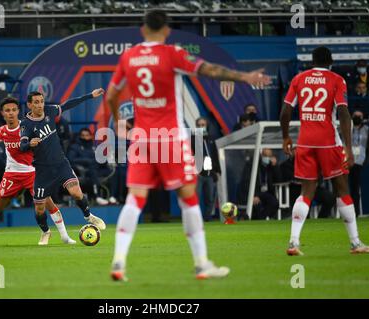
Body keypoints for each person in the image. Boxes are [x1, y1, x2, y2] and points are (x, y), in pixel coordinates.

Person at [106, 10, 271, 281]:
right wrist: (244, 77)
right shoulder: (172, 53)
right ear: (167, 30)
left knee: (134, 199)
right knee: (188, 198)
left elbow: (112, 94)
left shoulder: (129, 56)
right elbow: (210, 70)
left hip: (142, 137)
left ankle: (119, 261)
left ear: (143, 29)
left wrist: (118, 121)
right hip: (170, 136)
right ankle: (201, 263)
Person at [281, 46, 369, 256]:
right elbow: (343, 113)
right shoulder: (336, 80)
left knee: (306, 192)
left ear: (312, 62)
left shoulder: (299, 78)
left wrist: (286, 136)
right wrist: (349, 149)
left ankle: (293, 242)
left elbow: (285, 111)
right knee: (342, 189)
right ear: (330, 62)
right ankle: (355, 243)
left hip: (305, 142)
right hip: (328, 142)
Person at [0, 97, 76, 246]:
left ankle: (64, 236)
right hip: (12, 175)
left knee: (48, 204)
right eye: (7, 111)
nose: (11, 113)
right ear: (2, 113)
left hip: (32, 173)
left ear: (18, 111)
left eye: (13, 110)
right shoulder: (2, 131)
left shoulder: (28, 127)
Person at [20, 90, 106, 232]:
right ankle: (46, 232)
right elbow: (22, 146)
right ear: (29, 105)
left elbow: (68, 104)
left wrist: (89, 95)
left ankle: (89, 216)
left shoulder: (50, 110)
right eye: (36, 102)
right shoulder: (26, 124)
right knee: (40, 209)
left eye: (41, 101)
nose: (40, 105)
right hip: (43, 171)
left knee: (77, 193)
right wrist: (29, 144)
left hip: (61, 164)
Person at [280, 148, 336, 218]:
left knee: (330, 198)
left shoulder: (310, 163)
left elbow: (319, 176)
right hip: (297, 191)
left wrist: (314, 181)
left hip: (313, 188)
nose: (298, 152)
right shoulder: (285, 165)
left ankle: (321, 218)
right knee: (304, 204)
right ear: (291, 152)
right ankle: (305, 220)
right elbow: (291, 178)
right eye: (295, 149)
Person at [66, 127, 110, 205]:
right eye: (83, 135)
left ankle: (113, 197)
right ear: (80, 136)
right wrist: (87, 161)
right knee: (92, 169)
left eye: (87, 135)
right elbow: (71, 159)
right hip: (83, 171)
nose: (85, 137)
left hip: (96, 169)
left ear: (90, 136)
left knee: (113, 171)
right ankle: (97, 196)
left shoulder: (93, 147)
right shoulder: (75, 147)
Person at [237, 148, 281, 220]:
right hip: (255, 191)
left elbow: (279, 179)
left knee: (274, 203)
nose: (267, 158)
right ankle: (259, 218)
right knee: (257, 206)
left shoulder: (271, 166)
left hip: (267, 192)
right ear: (261, 155)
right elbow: (246, 182)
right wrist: (253, 195)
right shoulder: (252, 165)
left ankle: (262, 218)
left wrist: (275, 166)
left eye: (269, 156)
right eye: (265, 155)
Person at [192, 117, 220, 221]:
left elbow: (215, 155)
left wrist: (217, 171)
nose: (201, 127)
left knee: (210, 198)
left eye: (203, 125)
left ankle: (207, 217)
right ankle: (196, 219)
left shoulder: (212, 139)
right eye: (199, 125)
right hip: (198, 174)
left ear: (207, 126)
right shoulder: (192, 139)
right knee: (196, 198)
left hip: (210, 174)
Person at [349, 110, 369, 216]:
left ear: (362, 118)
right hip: (347, 162)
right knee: (346, 189)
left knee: (356, 190)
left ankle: (356, 212)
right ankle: (346, 212)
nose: (357, 118)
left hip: (359, 163)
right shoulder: (347, 129)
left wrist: (366, 161)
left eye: (359, 116)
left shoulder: (366, 130)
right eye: (355, 116)